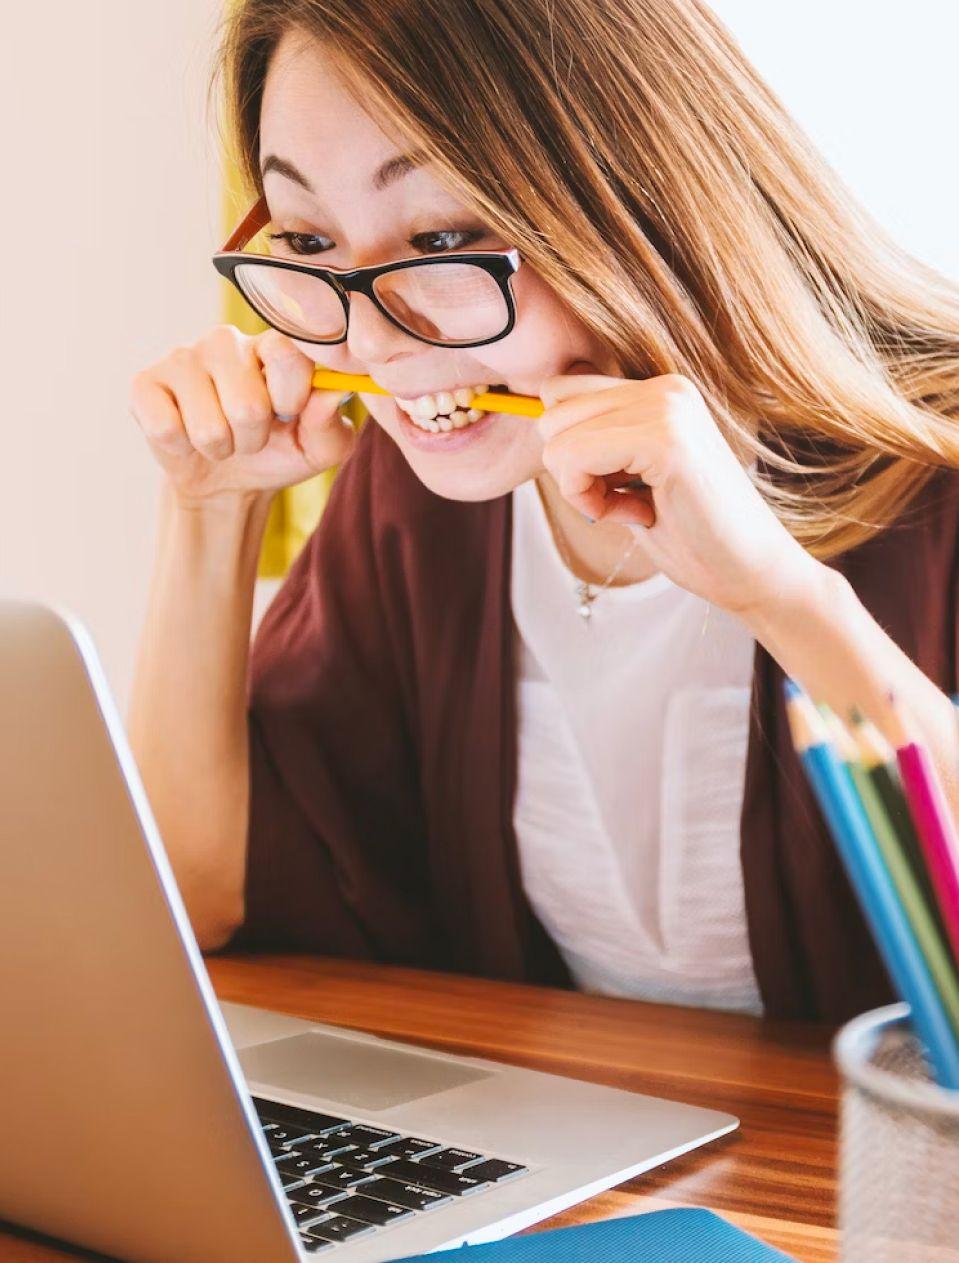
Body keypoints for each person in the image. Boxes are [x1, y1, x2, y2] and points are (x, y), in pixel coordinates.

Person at [127, 0, 959, 1022]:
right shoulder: (422, 492)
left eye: (439, 234)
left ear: (640, 193)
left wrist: (772, 592)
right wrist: (205, 509)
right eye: (308, 237)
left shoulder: (935, 470)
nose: (376, 346)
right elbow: (197, 899)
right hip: (598, 1159)